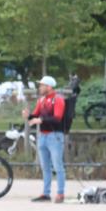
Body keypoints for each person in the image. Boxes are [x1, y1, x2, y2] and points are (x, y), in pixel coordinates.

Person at [23, 75, 66, 203]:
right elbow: (35, 115)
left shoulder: (58, 100)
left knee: (58, 166)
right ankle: (46, 193)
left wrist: (39, 120)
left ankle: (60, 193)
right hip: (43, 136)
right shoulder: (41, 100)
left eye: (42, 85)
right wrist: (28, 116)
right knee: (45, 167)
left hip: (55, 136)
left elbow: (57, 118)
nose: (39, 87)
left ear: (49, 86)